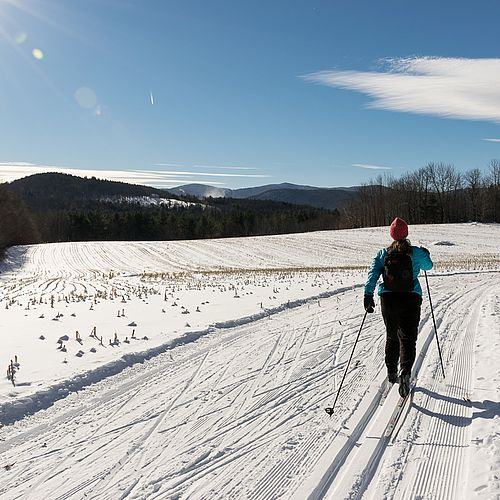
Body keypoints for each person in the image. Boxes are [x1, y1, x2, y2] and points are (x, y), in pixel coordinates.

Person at [364, 217, 433, 397]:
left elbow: (373, 274)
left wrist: (368, 294)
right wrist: (426, 253)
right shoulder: (415, 253)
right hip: (411, 298)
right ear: (406, 233)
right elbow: (429, 266)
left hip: (388, 300)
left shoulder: (382, 254)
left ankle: (391, 372)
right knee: (408, 338)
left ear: (392, 235)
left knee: (392, 336)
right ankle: (405, 372)